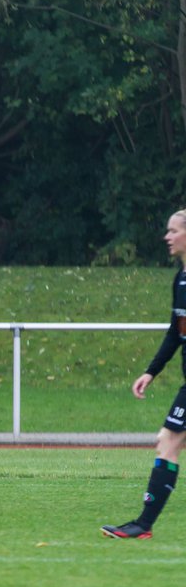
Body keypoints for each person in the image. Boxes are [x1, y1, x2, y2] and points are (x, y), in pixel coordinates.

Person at [102, 209, 186, 539]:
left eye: (173, 230)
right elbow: (176, 333)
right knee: (169, 443)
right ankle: (143, 525)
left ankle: (143, 525)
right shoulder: (180, 279)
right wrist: (150, 372)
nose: (167, 236)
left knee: (167, 442)